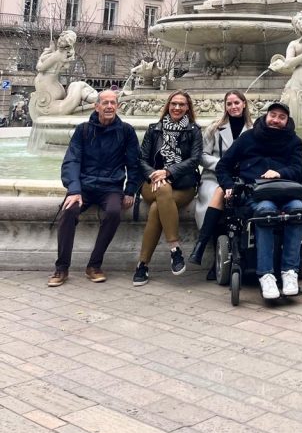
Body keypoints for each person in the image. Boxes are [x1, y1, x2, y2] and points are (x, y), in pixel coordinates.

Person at [48, 90, 140, 286]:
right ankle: (61, 268)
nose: (109, 106)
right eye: (105, 102)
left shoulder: (126, 131)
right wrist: (74, 190)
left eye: (113, 103)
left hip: (111, 187)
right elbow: (71, 160)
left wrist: (130, 189)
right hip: (83, 187)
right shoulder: (83, 130)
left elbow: (134, 163)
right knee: (68, 211)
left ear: (118, 106)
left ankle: (94, 265)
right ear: (97, 106)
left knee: (114, 212)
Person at [215, 101, 302, 300]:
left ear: (287, 120)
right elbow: (223, 166)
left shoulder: (294, 141)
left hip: (286, 193)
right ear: (266, 116)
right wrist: (228, 185)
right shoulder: (247, 138)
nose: (276, 120)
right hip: (256, 193)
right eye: (273, 115)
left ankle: (290, 271)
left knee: (298, 210)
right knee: (266, 211)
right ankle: (266, 274)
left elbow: (299, 170)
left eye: (282, 117)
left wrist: (280, 172)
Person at [132, 91, 203, 287]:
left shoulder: (194, 130)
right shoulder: (154, 129)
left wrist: (169, 172)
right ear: (168, 106)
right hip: (152, 184)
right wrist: (156, 174)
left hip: (183, 186)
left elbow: (195, 160)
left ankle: (142, 265)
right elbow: (142, 160)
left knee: (157, 209)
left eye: (182, 104)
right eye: (174, 104)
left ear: (188, 107)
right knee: (163, 190)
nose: (177, 108)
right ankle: (175, 248)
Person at [190, 90, 252, 277]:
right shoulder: (214, 128)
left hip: (242, 178)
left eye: (236, 103)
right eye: (229, 103)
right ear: (225, 106)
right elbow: (201, 156)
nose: (233, 107)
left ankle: (223, 258)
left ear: (244, 104)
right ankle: (217, 258)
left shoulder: (254, 129)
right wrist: (222, 164)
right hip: (214, 177)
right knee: (216, 198)